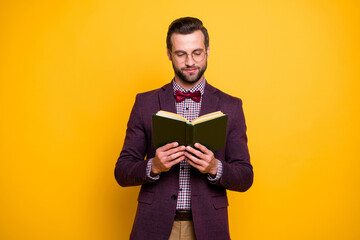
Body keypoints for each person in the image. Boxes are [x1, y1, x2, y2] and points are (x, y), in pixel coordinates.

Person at [114, 17, 253, 240]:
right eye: (181, 54)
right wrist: (153, 166)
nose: (190, 61)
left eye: (197, 52)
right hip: (154, 223)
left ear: (208, 51)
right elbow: (122, 172)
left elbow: (245, 176)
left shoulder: (231, 106)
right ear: (169, 54)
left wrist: (215, 167)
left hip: (208, 226)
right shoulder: (144, 103)